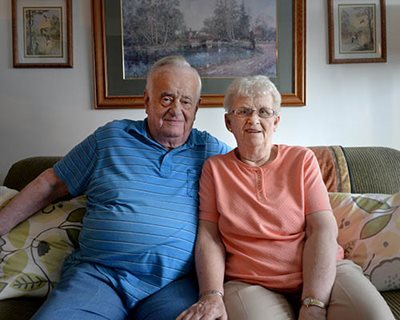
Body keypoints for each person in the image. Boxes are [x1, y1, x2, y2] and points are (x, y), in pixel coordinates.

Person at [0, 56, 230, 320]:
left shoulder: (212, 153)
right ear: (147, 100)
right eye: (166, 98)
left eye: (186, 101)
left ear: (197, 107)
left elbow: (255, 183)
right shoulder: (110, 139)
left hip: (174, 284)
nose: (176, 109)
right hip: (99, 276)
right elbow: (51, 183)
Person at [177, 75, 394, 320]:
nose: (254, 120)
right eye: (244, 111)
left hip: (324, 272)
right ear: (229, 121)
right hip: (251, 282)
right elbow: (210, 236)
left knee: (376, 317)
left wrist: (314, 302)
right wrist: (211, 294)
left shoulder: (302, 161)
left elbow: (322, 228)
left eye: (264, 112)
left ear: (276, 120)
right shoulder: (214, 169)